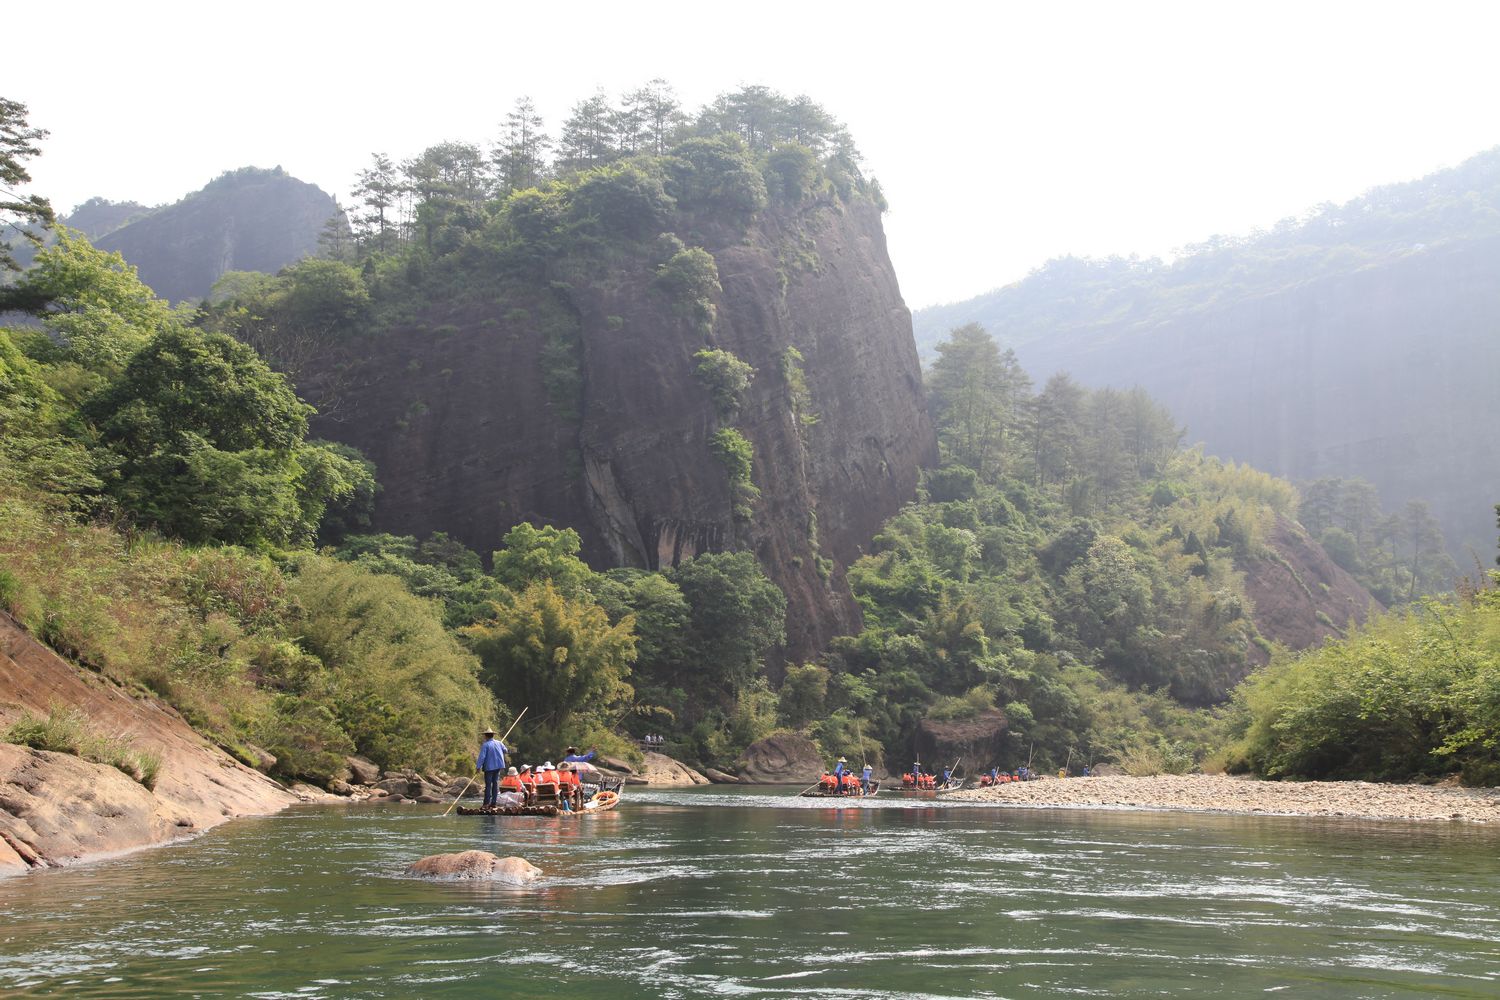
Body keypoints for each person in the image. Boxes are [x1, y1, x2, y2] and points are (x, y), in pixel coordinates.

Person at [476, 728, 508, 807]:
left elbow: (482, 757)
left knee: (488, 785)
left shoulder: (485, 745)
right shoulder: (499, 743)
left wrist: (478, 767)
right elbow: (505, 750)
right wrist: (500, 747)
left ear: (486, 736)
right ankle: (493, 803)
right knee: (495, 784)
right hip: (498, 767)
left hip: (489, 767)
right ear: (493, 735)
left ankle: (486, 803)